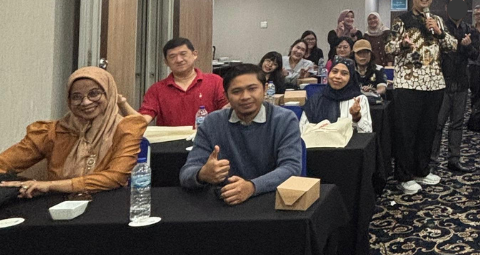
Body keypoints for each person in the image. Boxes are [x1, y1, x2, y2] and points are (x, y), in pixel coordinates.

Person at [0, 67, 144, 197]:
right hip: (57, 208)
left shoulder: (126, 129)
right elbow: (1, 164)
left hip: (108, 207)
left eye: (94, 94)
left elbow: (115, 177)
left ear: (109, 94)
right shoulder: (51, 132)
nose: (85, 102)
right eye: (76, 97)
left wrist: (49, 185)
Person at [180, 63, 303, 203]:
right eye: (236, 91)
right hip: (225, 200)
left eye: (252, 89)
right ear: (226, 96)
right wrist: (202, 174)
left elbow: (291, 168)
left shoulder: (284, 119)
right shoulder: (212, 122)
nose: (245, 97)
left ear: (264, 89)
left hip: (269, 201)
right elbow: (186, 172)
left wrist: (252, 187)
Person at [385, 0, 458, 194]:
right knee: (406, 132)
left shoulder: (437, 20)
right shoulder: (401, 21)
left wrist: (439, 32)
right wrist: (402, 44)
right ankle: (404, 176)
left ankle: (421, 171)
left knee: (428, 131)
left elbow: (452, 45)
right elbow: (389, 48)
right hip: (408, 84)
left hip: (434, 83)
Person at [134, 37, 227, 126]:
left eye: (183, 54)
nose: (179, 60)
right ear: (166, 62)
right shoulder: (157, 89)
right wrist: (125, 104)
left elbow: (227, 111)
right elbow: (143, 120)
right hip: (171, 137)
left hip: (207, 137)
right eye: (172, 56)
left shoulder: (215, 82)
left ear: (194, 54)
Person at [429, 2, 475, 174]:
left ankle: (454, 160)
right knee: (437, 124)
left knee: (457, 124)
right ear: (447, 9)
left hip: (462, 83)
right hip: (442, 83)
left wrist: (467, 46)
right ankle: (432, 160)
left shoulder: (469, 29)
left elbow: (475, 55)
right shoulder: (440, 28)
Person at [306, 58, 373, 134]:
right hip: (318, 140)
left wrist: (356, 117)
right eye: (334, 71)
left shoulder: (359, 99)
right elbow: (303, 129)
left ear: (351, 77)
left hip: (351, 141)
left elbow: (367, 132)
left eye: (344, 73)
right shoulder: (316, 99)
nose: (337, 76)